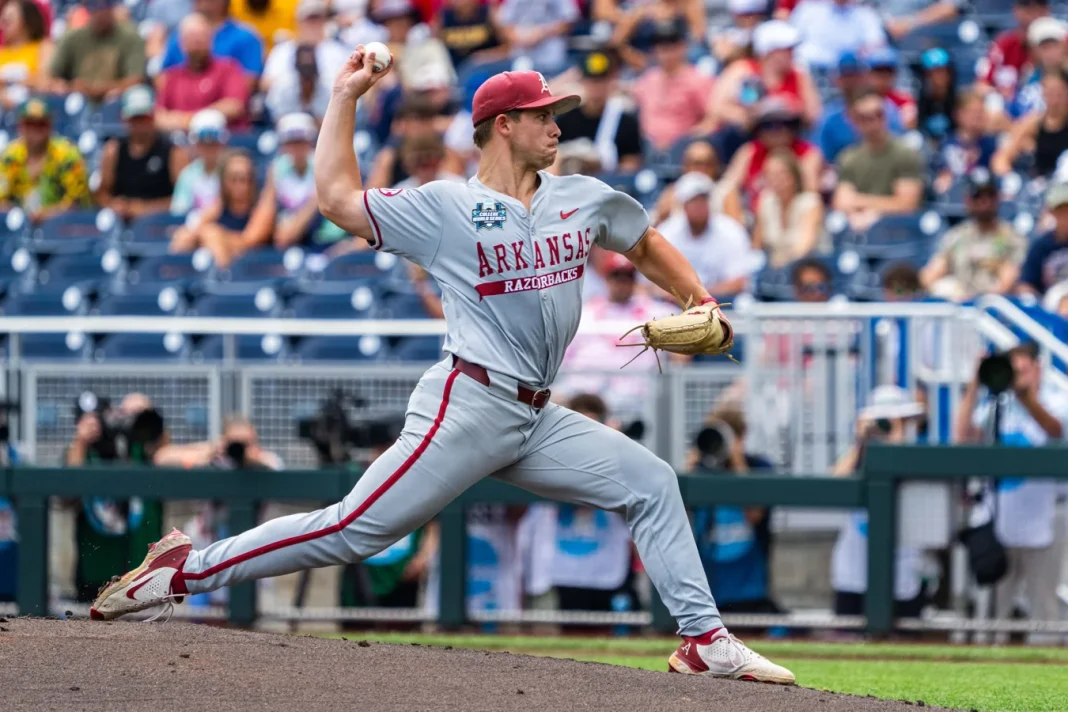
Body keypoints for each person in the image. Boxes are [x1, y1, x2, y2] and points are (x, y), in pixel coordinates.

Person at [92, 50, 796, 685]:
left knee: (651, 482)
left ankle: (704, 639)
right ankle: (185, 571)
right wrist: (345, 97)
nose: (556, 125)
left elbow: (642, 242)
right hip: (469, 403)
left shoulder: (580, 196)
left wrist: (698, 297)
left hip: (537, 414)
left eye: (557, 114)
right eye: (541, 115)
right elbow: (337, 200)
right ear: (500, 126)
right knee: (355, 530)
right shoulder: (447, 207)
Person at [955, 342, 1068, 644]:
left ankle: (1046, 676)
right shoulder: (995, 405)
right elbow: (963, 438)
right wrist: (975, 384)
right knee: (993, 610)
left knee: (1043, 605)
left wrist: (1026, 397)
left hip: (1045, 518)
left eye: (1023, 369)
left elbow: (1054, 430)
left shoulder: (1058, 401)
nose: (1017, 376)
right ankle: (987, 667)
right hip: (999, 519)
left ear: (1038, 368)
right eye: (1012, 370)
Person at [831, 386, 928, 618]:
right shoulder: (857, 457)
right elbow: (835, 482)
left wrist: (896, 438)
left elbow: (907, 473)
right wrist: (861, 443)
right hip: (853, 575)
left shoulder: (915, 456)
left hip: (902, 575)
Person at [66, 393, 165, 603]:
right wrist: (81, 441)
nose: (95, 426)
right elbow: (67, 492)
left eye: (99, 418)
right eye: (86, 421)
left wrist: (146, 416)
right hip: (95, 578)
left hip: (144, 576)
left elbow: (165, 453)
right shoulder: (80, 454)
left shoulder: (137, 447)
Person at [690, 406, 782, 616]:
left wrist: (737, 462)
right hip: (707, 589)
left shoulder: (759, 467)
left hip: (749, 590)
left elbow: (756, 515)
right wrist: (692, 467)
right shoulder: (703, 470)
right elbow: (681, 516)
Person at [920, 170, 1026, 302]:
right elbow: (932, 273)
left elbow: (1008, 281)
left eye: (989, 195)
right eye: (978, 196)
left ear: (998, 198)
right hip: (960, 303)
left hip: (994, 307)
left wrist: (976, 302)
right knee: (943, 287)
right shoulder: (957, 235)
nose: (984, 202)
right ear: (968, 200)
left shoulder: (1011, 237)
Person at [832, 89, 924, 231]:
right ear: (854, 120)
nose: (874, 123)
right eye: (865, 117)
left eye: (879, 115)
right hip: (859, 229)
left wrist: (862, 203)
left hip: (898, 230)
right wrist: (883, 205)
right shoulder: (848, 157)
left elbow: (907, 205)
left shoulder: (904, 153)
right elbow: (841, 202)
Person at [706, 19, 820, 133]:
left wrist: (793, 107)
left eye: (792, 49)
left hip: (788, 137)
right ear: (769, 52)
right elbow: (715, 107)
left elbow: (813, 117)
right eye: (786, 50)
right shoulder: (742, 70)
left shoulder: (799, 74)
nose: (792, 54)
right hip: (750, 136)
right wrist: (749, 116)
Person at [169, 149, 273, 267]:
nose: (239, 185)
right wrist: (204, 234)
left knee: (210, 233)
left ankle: (222, 279)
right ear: (224, 181)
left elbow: (249, 242)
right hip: (223, 255)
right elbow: (189, 233)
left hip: (253, 266)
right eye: (234, 179)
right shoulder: (217, 207)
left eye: (245, 179)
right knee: (186, 237)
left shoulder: (260, 208)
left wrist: (215, 235)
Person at [658, 172, 754, 298]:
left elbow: (740, 282)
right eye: (693, 201)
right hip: (675, 305)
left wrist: (700, 296)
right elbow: (648, 283)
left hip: (722, 304)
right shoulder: (667, 232)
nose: (699, 206)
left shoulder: (731, 231)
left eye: (703, 200)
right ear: (683, 205)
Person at [96, 85, 185, 221]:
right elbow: (102, 192)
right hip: (121, 221)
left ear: (153, 116)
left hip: (160, 223)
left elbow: (183, 199)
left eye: (144, 118)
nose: (140, 124)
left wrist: (145, 209)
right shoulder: (113, 150)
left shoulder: (173, 152)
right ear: (125, 119)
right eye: (135, 118)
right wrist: (113, 205)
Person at [265, 112, 348, 252]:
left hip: (326, 240)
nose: (296, 147)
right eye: (290, 142)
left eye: (301, 141)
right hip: (293, 240)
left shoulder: (324, 166)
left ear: (310, 142)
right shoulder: (277, 168)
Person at [719, 96, 822, 208]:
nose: (777, 132)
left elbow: (810, 192)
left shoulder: (808, 153)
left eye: (784, 124)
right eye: (769, 126)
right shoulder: (749, 151)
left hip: (794, 216)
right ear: (758, 130)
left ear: (794, 127)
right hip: (753, 217)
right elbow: (727, 187)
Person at [155, 14, 252, 132]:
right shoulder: (172, 76)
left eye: (201, 37)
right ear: (181, 44)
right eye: (191, 37)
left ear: (211, 40)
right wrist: (198, 118)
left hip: (223, 143)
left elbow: (234, 106)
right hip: (181, 144)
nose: (196, 42)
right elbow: (159, 118)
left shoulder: (228, 68)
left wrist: (189, 120)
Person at [631, 18, 715, 153]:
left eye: (671, 47)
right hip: (646, 149)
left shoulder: (697, 80)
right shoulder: (648, 79)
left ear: (682, 46)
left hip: (682, 152)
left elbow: (712, 119)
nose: (666, 53)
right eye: (661, 47)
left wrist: (687, 140)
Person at [0, 97, 90, 222]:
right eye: (29, 123)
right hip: (19, 227)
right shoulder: (10, 156)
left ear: (50, 125)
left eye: (41, 124)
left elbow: (77, 203)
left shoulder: (68, 155)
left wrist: (46, 215)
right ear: (20, 126)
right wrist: (17, 213)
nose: (35, 129)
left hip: (61, 228)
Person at [553, 50, 642, 175]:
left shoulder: (625, 121)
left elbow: (631, 164)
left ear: (611, 81)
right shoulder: (567, 119)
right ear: (582, 81)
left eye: (601, 80)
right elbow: (552, 157)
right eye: (591, 80)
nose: (596, 86)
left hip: (609, 186)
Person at [46, 0, 146, 103]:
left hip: (118, 103)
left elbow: (136, 79)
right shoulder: (72, 38)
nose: (100, 11)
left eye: (105, 5)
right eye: (93, 5)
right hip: (77, 102)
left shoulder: (131, 38)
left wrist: (97, 89)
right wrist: (66, 87)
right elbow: (52, 76)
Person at [816, 51, 905, 164]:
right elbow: (825, 158)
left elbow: (897, 145)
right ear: (837, 79)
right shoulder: (830, 117)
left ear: (865, 76)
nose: (851, 81)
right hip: (845, 172)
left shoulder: (887, 109)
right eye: (846, 76)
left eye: (855, 75)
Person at [752, 148, 827, 268]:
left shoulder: (811, 202)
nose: (775, 180)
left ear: (794, 176)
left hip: (810, 268)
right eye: (770, 174)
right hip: (776, 271)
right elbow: (757, 245)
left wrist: (779, 264)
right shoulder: (766, 201)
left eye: (781, 174)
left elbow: (804, 248)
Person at [992, 68, 1068, 179]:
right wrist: (1010, 177)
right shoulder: (1033, 122)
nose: (1055, 99)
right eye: (1050, 93)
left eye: (1059, 93)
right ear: (1043, 92)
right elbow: (1002, 158)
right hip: (1041, 184)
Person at [260, 0, 347, 94]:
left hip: (328, 105)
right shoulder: (282, 50)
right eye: (310, 20)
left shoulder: (337, 51)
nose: (314, 25)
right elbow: (265, 84)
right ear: (299, 22)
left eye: (318, 19)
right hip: (287, 105)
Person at [161, 0, 265, 78]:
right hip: (182, 105)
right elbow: (164, 79)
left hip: (224, 105)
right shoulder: (180, 35)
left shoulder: (247, 37)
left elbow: (248, 81)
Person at [650, 140, 744, 226]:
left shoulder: (726, 192)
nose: (701, 169)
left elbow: (736, 231)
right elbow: (658, 229)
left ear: (715, 166)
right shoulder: (672, 192)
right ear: (685, 166)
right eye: (696, 163)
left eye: (707, 163)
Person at [977, 0, 1051, 104]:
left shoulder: (1060, 40)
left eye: (1039, 5)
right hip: (1008, 109)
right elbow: (981, 86)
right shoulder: (1004, 44)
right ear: (1016, 10)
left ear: (1047, 10)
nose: (1032, 12)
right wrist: (999, 94)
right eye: (1026, 5)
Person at [788, 0, 887, 70]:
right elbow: (791, 39)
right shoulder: (809, 8)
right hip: (811, 69)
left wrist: (860, 54)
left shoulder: (866, 14)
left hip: (850, 72)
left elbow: (876, 43)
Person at [933, 89, 999, 194]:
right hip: (953, 196)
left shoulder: (992, 144)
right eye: (972, 112)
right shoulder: (946, 143)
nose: (977, 116)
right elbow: (942, 173)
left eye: (981, 112)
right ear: (958, 114)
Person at [495, 0, 577, 76]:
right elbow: (504, 26)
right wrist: (520, 38)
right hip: (520, 60)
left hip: (552, 61)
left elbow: (568, 22)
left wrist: (542, 32)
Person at [170, 108, 228, 216]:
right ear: (195, 145)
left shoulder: (232, 173)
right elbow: (178, 213)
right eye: (203, 143)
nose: (209, 148)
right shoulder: (187, 175)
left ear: (223, 143)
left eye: (213, 143)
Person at [1017, 182, 1068, 296]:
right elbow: (1026, 284)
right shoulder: (1041, 245)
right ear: (1052, 212)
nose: (1066, 216)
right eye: (1062, 211)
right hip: (1048, 306)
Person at [265, 42, 331, 124]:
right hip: (286, 133)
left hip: (319, 132)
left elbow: (325, 121)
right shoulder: (284, 85)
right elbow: (278, 118)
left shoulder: (325, 85)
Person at [0, 0, 50, 106]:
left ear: (26, 22)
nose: (2, 26)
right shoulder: (1, 53)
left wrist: (8, 80)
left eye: (8, 21)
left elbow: (47, 80)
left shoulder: (44, 47)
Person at [435, 0, 508, 70]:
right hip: (454, 70)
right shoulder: (443, 17)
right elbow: (434, 48)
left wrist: (486, 56)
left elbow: (507, 49)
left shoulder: (489, 14)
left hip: (483, 69)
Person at [867, 47, 916, 130]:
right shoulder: (861, 100)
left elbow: (909, 126)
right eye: (879, 71)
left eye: (888, 72)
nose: (884, 77)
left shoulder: (904, 101)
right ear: (870, 74)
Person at [916, 47, 957, 143]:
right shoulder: (917, 99)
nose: (939, 77)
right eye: (933, 72)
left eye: (942, 71)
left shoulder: (958, 99)